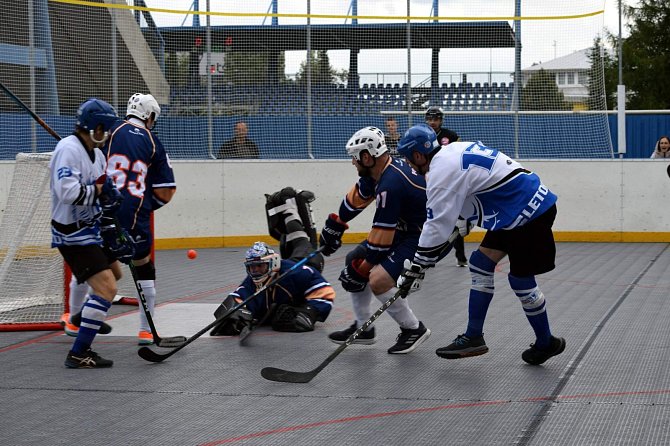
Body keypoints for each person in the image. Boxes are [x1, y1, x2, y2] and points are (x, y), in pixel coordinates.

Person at [396, 124, 565, 365]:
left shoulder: (439, 173)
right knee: (480, 264)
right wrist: (465, 217)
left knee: (521, 280)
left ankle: (546, 342)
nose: (410, 165)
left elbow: (436, 225)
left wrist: (416, 266)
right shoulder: (451, 150)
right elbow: (477, 180)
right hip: (516, 205)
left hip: (527, 212)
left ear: (418, 155)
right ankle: (474, 336)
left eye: (408, 159)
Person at [320, 126, 431, 354]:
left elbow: (381, 239)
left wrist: (362, 271)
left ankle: (413, 329)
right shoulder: (378, 171)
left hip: (421, 236)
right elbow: (356, 198)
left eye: (354, 158)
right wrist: (337, 224)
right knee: (354, 258)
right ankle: (363, 328)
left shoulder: (390, 185)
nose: (353, 163)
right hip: (405, 229)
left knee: (377, 280)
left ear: (367, 157)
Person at [50, 98, 135, 368]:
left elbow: (101, 183)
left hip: (91, 228)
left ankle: (83, 317)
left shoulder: (96, 154)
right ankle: (79, 352)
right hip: (72, 233)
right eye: (105, 128)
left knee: (117, 273)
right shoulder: (68, 150)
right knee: (107, 287)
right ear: (95, 127)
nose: (107, 133)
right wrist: (99, 191)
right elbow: (68, 193)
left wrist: (110, 193)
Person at [102, 93, 177, 345]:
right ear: (149, 115)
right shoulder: (153, 142)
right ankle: (146, 330)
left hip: (104, 211)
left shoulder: (111, 128)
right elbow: (167, 190)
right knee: (143, 264)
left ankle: (76, 318)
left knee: (94, 265)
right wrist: (145, 206)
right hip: (135, 215)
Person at [209, 241, 335, 336]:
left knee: (304, 247)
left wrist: (310, 312)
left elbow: (325, 292)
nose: (255, 271)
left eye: (259, 266)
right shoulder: (252, 280)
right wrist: (236, 315)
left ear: (273, 263)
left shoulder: (298, 272)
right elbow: (238, 296)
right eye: (251, 267)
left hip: (307, 261)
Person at [424, 106, 468, 267]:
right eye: (429, 119)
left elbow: (460, 155)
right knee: (429, 219)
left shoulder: (451, 136)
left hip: (448, 182)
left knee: (455, 219)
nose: (432, 122)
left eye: (435, 119)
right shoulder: (422, 135)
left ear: (441, 120)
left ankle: (461, 256)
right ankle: (428, 256)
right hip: (429, 181)